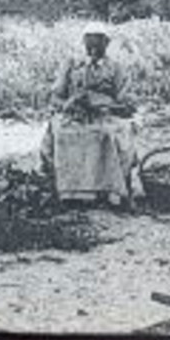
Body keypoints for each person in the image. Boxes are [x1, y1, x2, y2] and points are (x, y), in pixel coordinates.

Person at [40, 27, 138, 208]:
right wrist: (68, 104)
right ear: (83, 41)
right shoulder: (71, 64)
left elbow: (126, 102)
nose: (93, 46)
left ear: (106, 43)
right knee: (62, 132)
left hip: (105, 115)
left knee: (109, 135)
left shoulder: (115, 68)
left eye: (98, 41)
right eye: (89, 40)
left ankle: (108, 190)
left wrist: (105, 106)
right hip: (74, 115)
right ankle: (68, 191)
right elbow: (55, 95)